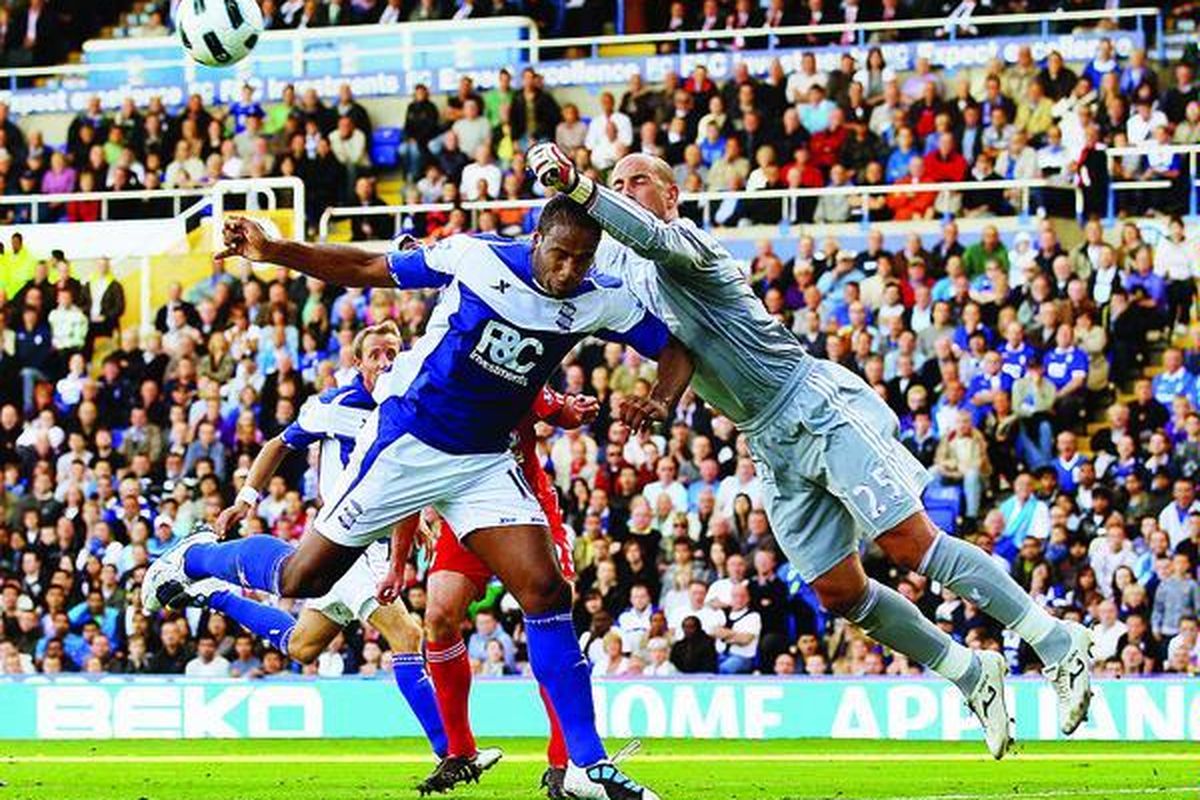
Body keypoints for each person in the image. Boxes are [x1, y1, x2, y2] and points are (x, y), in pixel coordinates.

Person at [529, 143, 1095, 760]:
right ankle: (969, 672)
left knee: (911, 544)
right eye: (618, 181)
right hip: (765, 438)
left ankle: (1058, 641)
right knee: (839, 593)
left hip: (810, 403)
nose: (626, 188)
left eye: (639, 180)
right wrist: (661, 400)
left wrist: (581, 184)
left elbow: (644, 234)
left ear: (672, 195)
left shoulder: (684, 241)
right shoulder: (628, 274)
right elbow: (678, 346)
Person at [143, 200, 690, 800]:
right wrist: (276, 250)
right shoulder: (476, 257)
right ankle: (195, 558)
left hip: (483, 461)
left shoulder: (596, 296)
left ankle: (585, 763)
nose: (568, 272)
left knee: (546, 588)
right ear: (537, 239)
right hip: (408, 443)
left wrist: (660, 398)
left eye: (581, 261)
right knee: (300, 578)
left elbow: (676, 348)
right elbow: (369, 266)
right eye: (560, 256)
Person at [183, 320, 477, 775]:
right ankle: (454, 754)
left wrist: (412, 521)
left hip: (367, 545)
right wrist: (245, 500)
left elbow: (404, 478)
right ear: (357, 363)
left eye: (393, 353)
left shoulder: (414, 405)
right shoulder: (335, 406)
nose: (386, 361)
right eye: (375, 354)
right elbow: (278, 445)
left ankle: (212, 595)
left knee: (301, 646)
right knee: (407, 636)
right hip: (349, 542)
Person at [420, 381, 595, 797]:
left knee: (551, 620)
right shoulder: (435, 385)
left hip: (528, 509)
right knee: (438, 618)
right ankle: (460, 753)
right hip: (464, 512)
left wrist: (577, 409)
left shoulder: (511, 372)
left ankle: (564, 762)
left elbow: (562, 414)